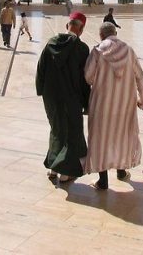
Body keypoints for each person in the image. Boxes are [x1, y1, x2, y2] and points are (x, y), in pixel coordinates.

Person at [84, 22, 143, 190]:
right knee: (122, 136)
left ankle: (103, 180)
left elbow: (88, 77)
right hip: (125, 104)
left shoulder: (97, 51)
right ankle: (121, 171)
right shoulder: (129, 51)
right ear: (115, 33)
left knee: (101, 139)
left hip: (102, 104)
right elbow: (140, 76)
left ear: (101, 35)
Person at [36, 11, 91, 182]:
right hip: (72, 98)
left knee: (57, 130)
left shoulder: (51, 43)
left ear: (67, 25)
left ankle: (53, 169)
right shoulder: (82, 49)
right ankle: (65, 173)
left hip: (51, 97)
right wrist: (87, 102)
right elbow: (85, 79)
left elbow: (40, 69)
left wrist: (42, 91)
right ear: (81, 30)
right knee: (72, 134)